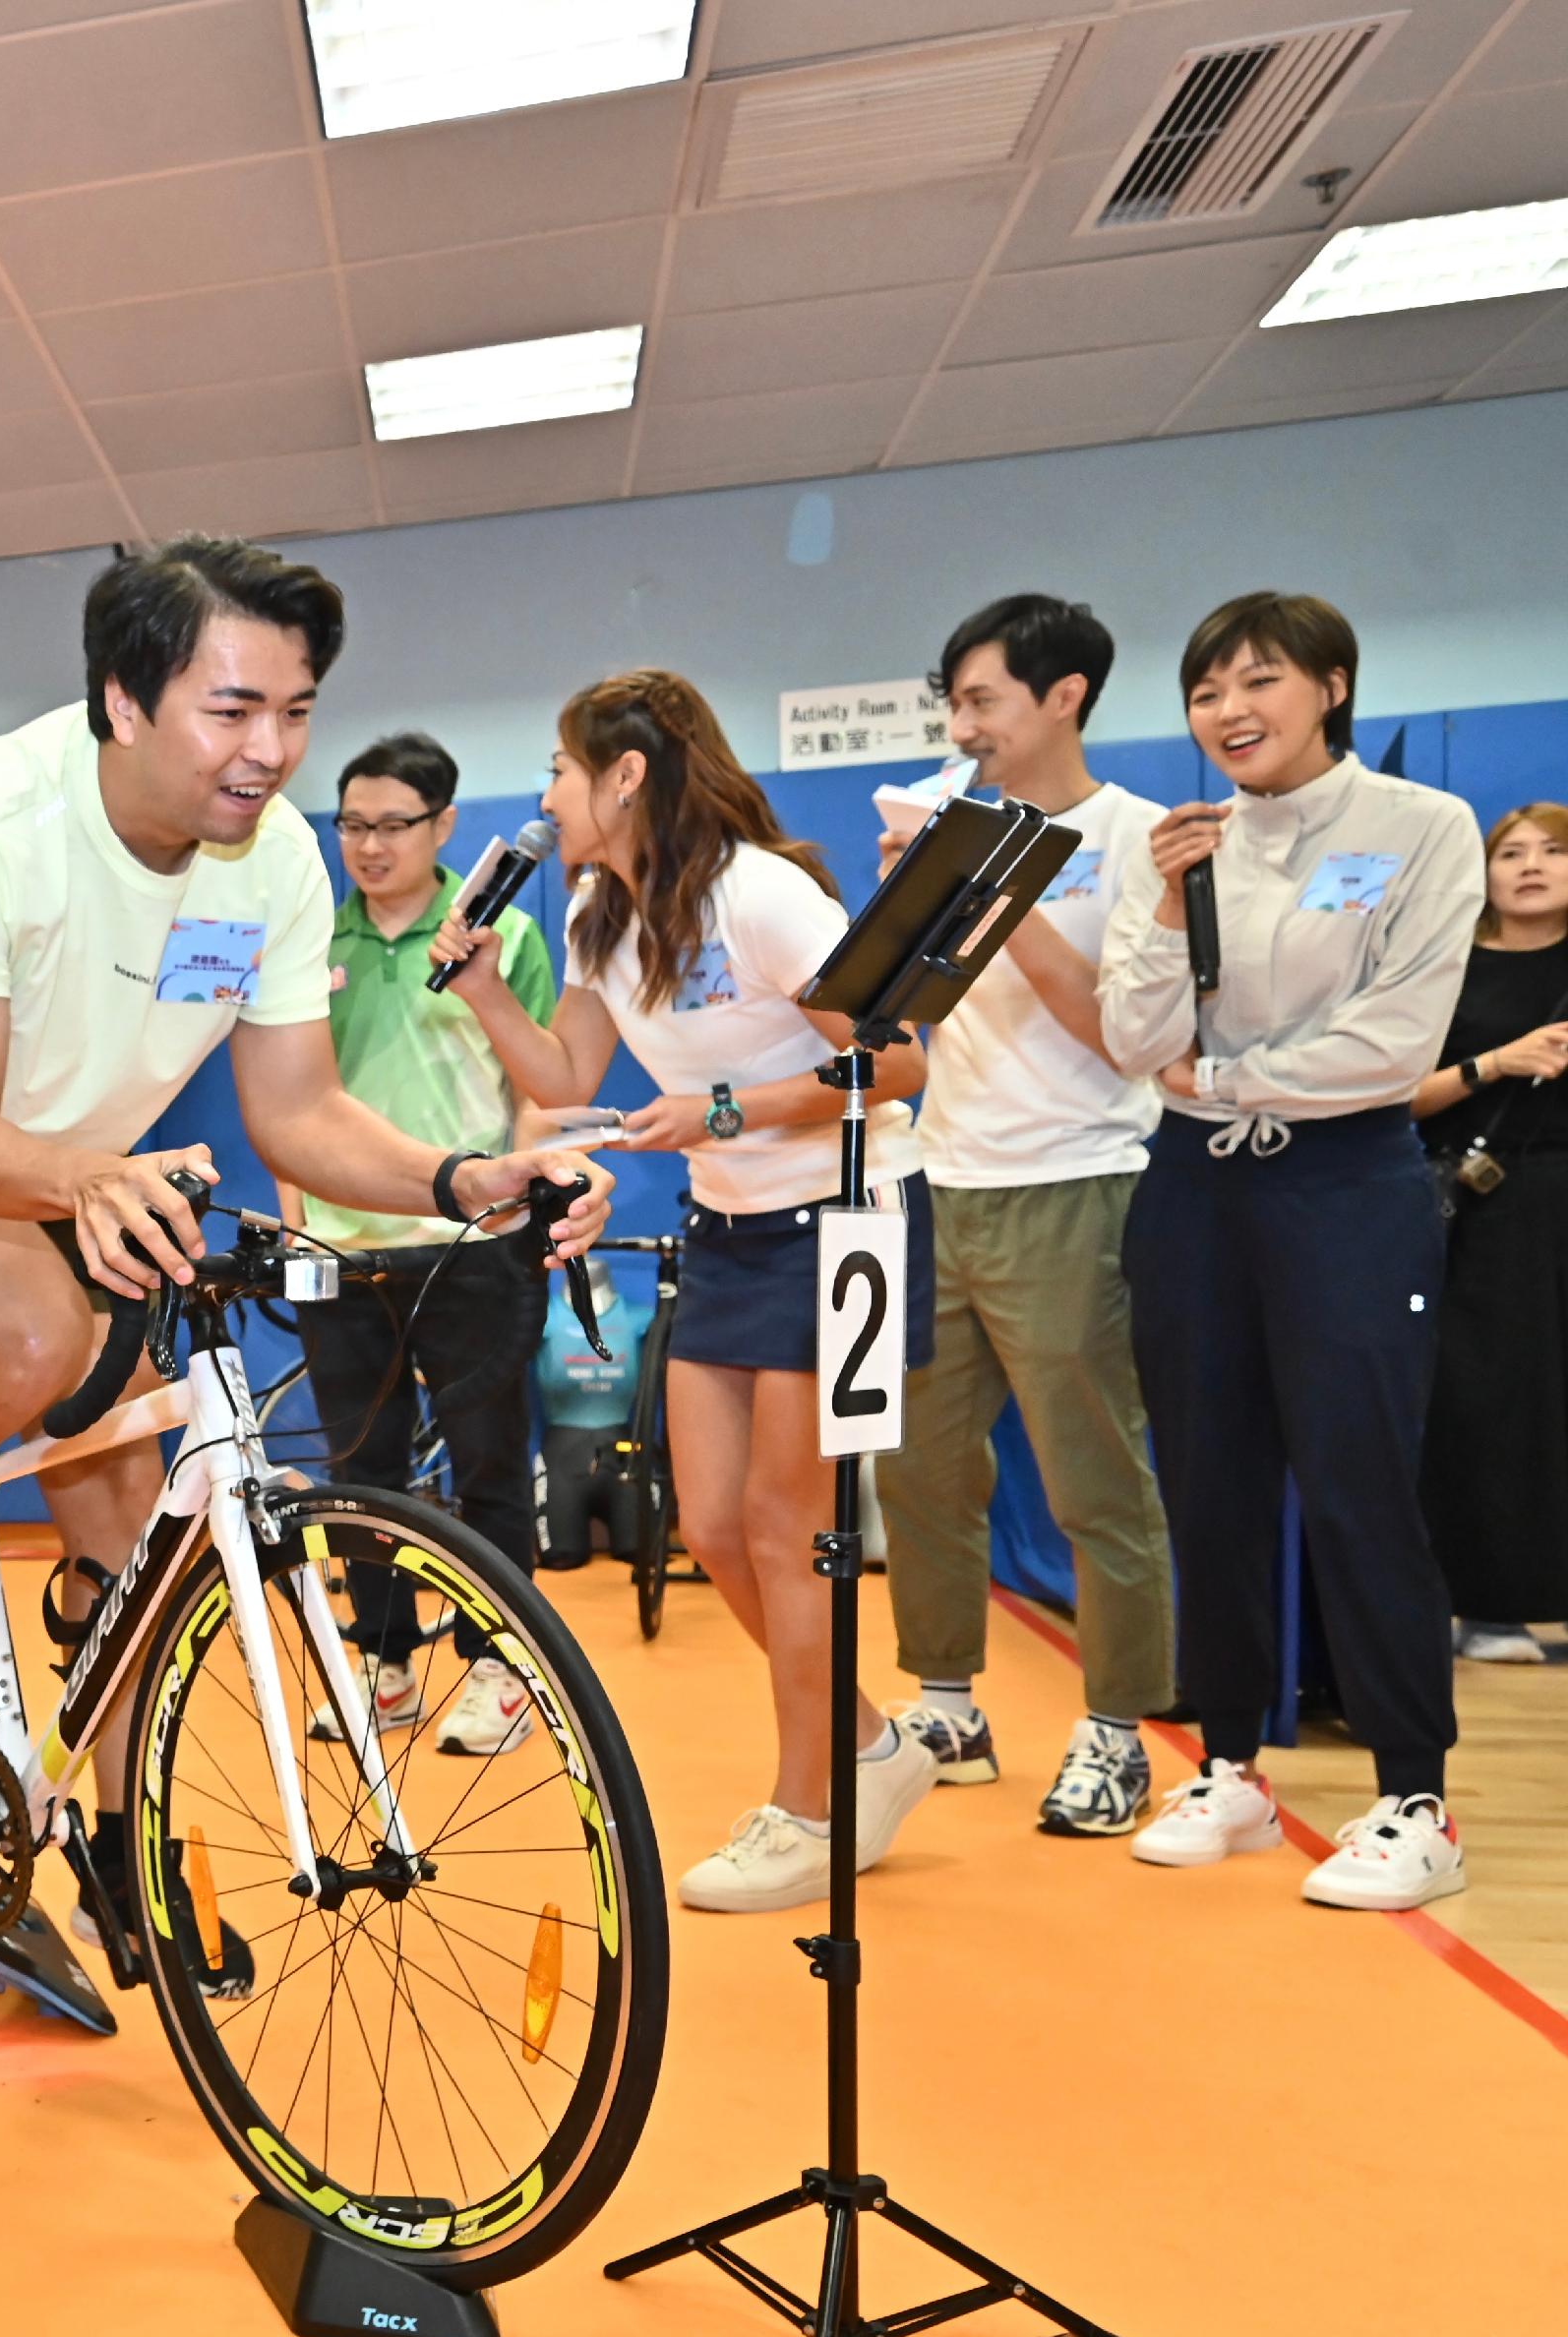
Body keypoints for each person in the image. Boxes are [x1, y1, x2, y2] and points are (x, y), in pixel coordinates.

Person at [0, 537, 611, 1924]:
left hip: (81, 1151)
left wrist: (467, 1177)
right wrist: (83, 1180)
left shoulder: (268, 863)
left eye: (296, 711)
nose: (271, 750)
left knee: (140, 1488)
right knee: (35, 1332)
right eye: (233, 709)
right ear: (124, 700)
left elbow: (301, 1113)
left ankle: (114, 1846)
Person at [439, 670, 939, 1916]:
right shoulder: (600, 914)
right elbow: (566, 1073)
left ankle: (812, 1808)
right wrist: (484, 983)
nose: (545, 797)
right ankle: (871, 1747)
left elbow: (897, 1055)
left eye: (562, 768)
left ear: (624, 775)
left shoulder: (763, 894)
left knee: (787, 1528)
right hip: (730, 1227)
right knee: (711, 1523)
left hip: (845, 1217)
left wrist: (724, 1108)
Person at [1103, 592, 1481, 1910]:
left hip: (1346, 1189)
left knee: (1358, 1478)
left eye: (1258, 681)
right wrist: (1160, 901)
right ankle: (1233, 1768)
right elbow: (1127, 1028)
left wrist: (1222, 1076)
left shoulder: (1419, 828)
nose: (1228, 712)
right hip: (1192, 1192)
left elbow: (1395, 1041)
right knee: (1205, 1482)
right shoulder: (1185, 843)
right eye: (1207, 691)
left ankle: (1414, 1796)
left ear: (1329, 685)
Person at [873, 597, 1176, 1835]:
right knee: (921, 1466)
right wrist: (907, 902)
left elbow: (1121, 1033)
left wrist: (989, 885)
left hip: (1080, 1178)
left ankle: (1119, 1728)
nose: (963, 725)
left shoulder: (1141, 837)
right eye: (952, 703)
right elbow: (889, 1020)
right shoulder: (959, 833)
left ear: (1064, 697)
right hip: (942, 1176)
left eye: (983, 699)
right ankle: (948, 1703)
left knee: (1091, 1475)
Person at [277, 730, 557, 1753]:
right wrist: (297, 1222)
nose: (368, 844)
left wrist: (519, 1204)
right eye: (351, 823)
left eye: (393, 823)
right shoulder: (311, 942)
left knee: (489, 1462)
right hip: (342, 1251)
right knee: (362, 1474)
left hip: (472, 1243)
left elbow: (540, 1084)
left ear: (444, 825)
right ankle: (383, 1667)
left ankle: (502, 1668)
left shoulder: (501, 938)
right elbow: (291, 1102)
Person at [1411, 805, 1568, 1661]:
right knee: (1490, 1404)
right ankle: (1490, 1606)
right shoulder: (1448, 970)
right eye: (1512, 852)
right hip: (1478, 1204)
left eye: (1554, 850)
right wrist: (1498, 1062)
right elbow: (1396, 1095)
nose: (1533, 865)